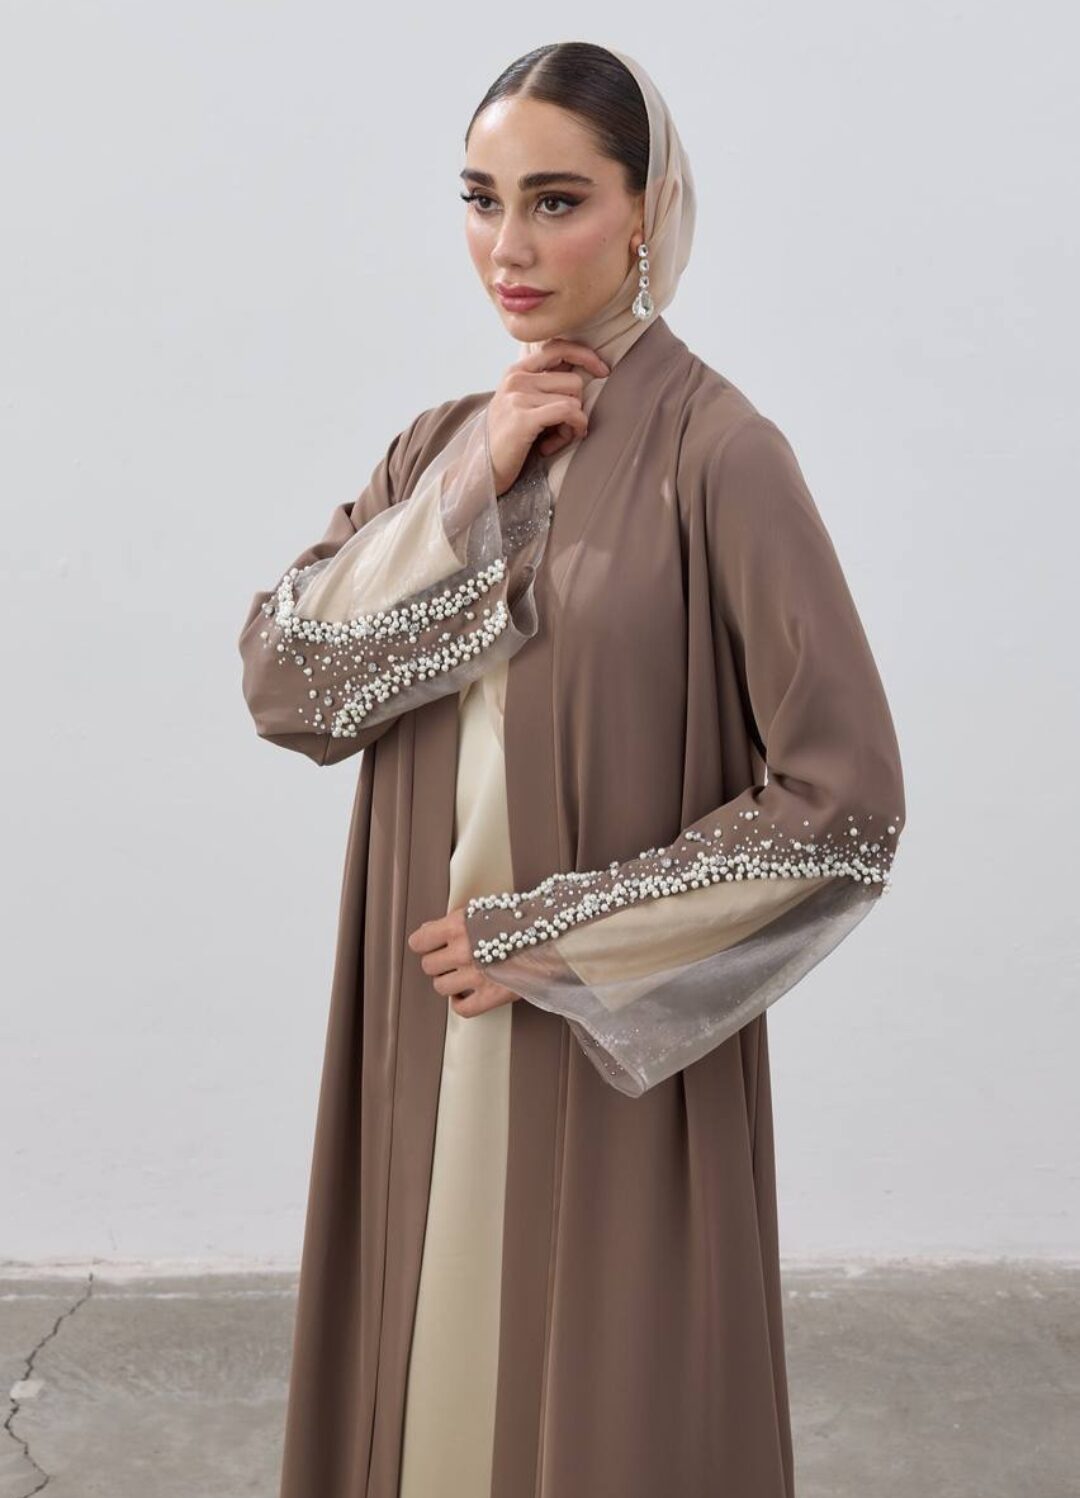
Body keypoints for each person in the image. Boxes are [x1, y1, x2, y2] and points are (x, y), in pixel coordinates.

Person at [238, 40, 906, 1498]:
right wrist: (465, 487)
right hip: (423, 1036)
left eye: (557, 201)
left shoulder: (724, 455)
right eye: (482, 200)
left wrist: (548, 937)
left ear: (646, 210)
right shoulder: (436, 447)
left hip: (603, 1053)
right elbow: (286, 689)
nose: (510, 247)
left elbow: (843, 805)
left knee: (594, 1413)